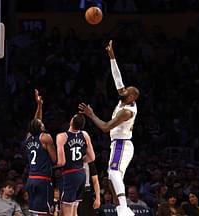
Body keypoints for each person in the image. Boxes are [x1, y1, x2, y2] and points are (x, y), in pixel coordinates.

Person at [79, 40, 139, 216]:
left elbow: (105, 127)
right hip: (118, 143)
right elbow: (117, 78)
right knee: (113, 175)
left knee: (113, 173)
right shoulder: (125, 98)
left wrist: (91, 114)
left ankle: (123, 207)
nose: (123, 91)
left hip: (122, 144)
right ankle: (121, 205)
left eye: (126, 91)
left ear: (132, 98)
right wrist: (112, 55)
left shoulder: (127, 112)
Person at [24, 89, 57, 216]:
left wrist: (39, 105)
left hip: (31, 179)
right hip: (43, 180)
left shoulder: (28, 138)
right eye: (41, 124)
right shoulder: (46, 137)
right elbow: (54, 160)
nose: (43, 123)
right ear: (40, 127)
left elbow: (35, 122)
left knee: (36, 213)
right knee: (46, 213)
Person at [56, 113, 96, 216]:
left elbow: (61, 162)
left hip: (70, 175)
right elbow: (92, 157)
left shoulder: (62, 136)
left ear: (71, 121)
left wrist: (52, 166)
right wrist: (80, 161)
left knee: (67, 209)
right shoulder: (85, 135)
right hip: (81, 174)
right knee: (74, 210)